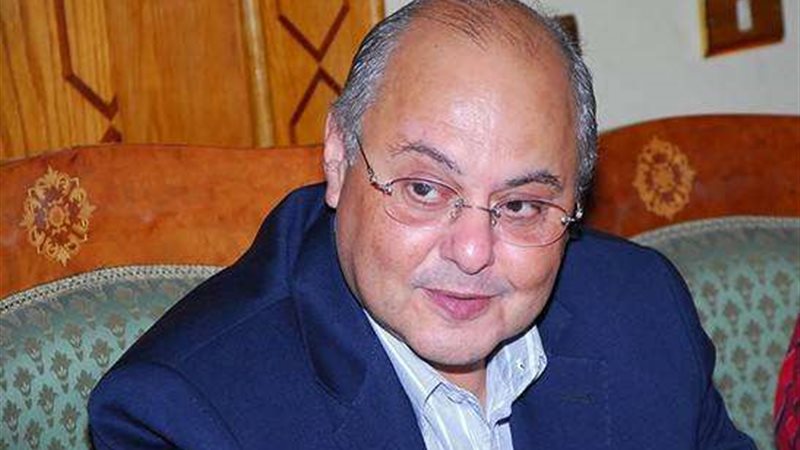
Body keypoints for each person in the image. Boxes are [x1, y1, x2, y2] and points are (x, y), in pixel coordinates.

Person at [88, 1, 755, 448]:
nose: (472, 252)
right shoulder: (186, 413)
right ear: (339, 157)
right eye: (425, 189)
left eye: (520, 205)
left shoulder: (642, 311)